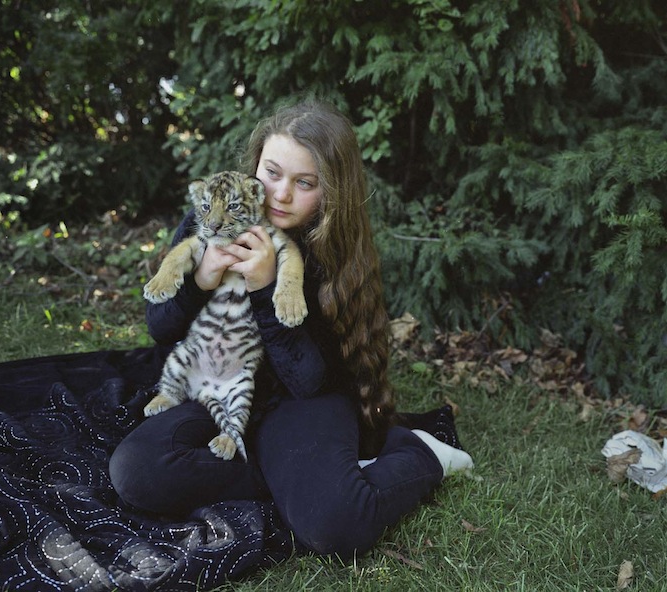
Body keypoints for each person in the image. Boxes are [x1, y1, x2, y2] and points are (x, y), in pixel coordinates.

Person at [108, 99, 473, 558]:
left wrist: (265, 288)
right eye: (272, 172)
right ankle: (297, 479)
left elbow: (308, 380)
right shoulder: (219, 213)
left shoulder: (335, 254)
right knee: (137, 472)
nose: (280, 194)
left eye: (304, 183)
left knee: (335, 526)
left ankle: (421, 454)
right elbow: (160, 328)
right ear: (255, 167)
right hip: (227, 382)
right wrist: (202, 278)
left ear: (331, 192)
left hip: (304, 397)